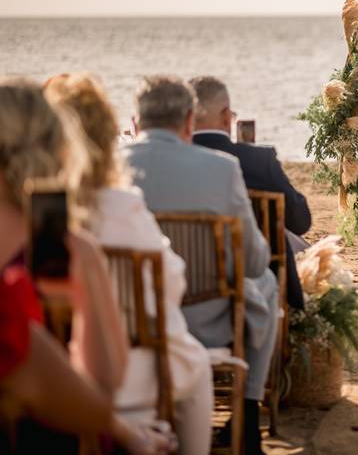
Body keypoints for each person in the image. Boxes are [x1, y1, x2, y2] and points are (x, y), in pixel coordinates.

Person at [0, 77, 174, 454]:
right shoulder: (6, 309)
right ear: (58, 154)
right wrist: (91, 283)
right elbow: (96, 405)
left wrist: (130, 434)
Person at [44, 73, 213, 455]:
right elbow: (171, 283)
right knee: (198, 363)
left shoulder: (41, 215)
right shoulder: (121, 207)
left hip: (57, 370)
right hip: (133, 375)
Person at [122, 75, 277, 454]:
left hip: (131, 325)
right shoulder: (222, 168)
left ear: (136, 124)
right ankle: (247, 407)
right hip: (210, 324)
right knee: (268, 282)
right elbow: (255, 261)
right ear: (190, 121)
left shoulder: (108, 168)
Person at [188, 75, 308, 309]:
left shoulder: (174, 162)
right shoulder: (258, 160)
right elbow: (301, 221)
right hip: (253, 279)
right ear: (226, 116)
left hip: (186, 280)